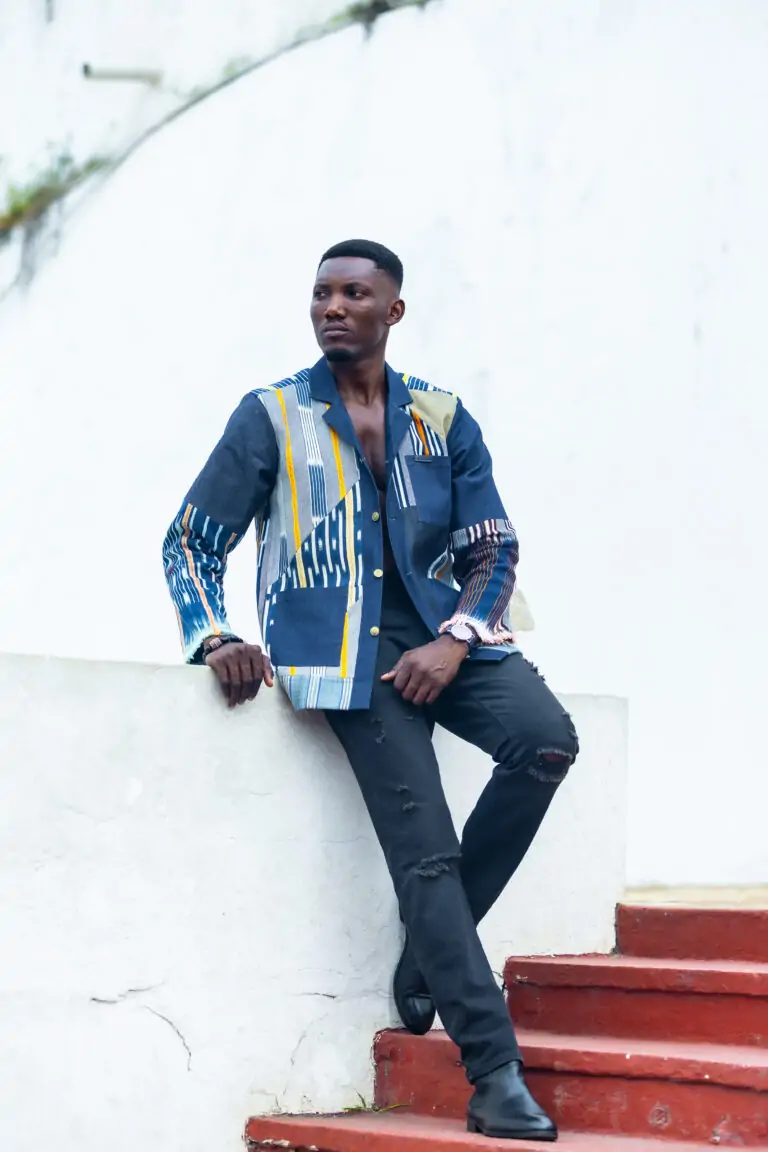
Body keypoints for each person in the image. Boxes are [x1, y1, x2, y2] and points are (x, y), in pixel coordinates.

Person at [162, 239, 578, 1142]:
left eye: (355, 294)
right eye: (322, 293)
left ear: (393, 311)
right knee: (424, 854)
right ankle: (494, 1073)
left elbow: (492, 549)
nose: (333, 307)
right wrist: (215, 634)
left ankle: (430, 945)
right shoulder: (271, 415)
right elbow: (190, 540)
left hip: (444, 636)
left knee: (546, 742)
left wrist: (456, 640)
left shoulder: (441, 416)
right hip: (344, 656)